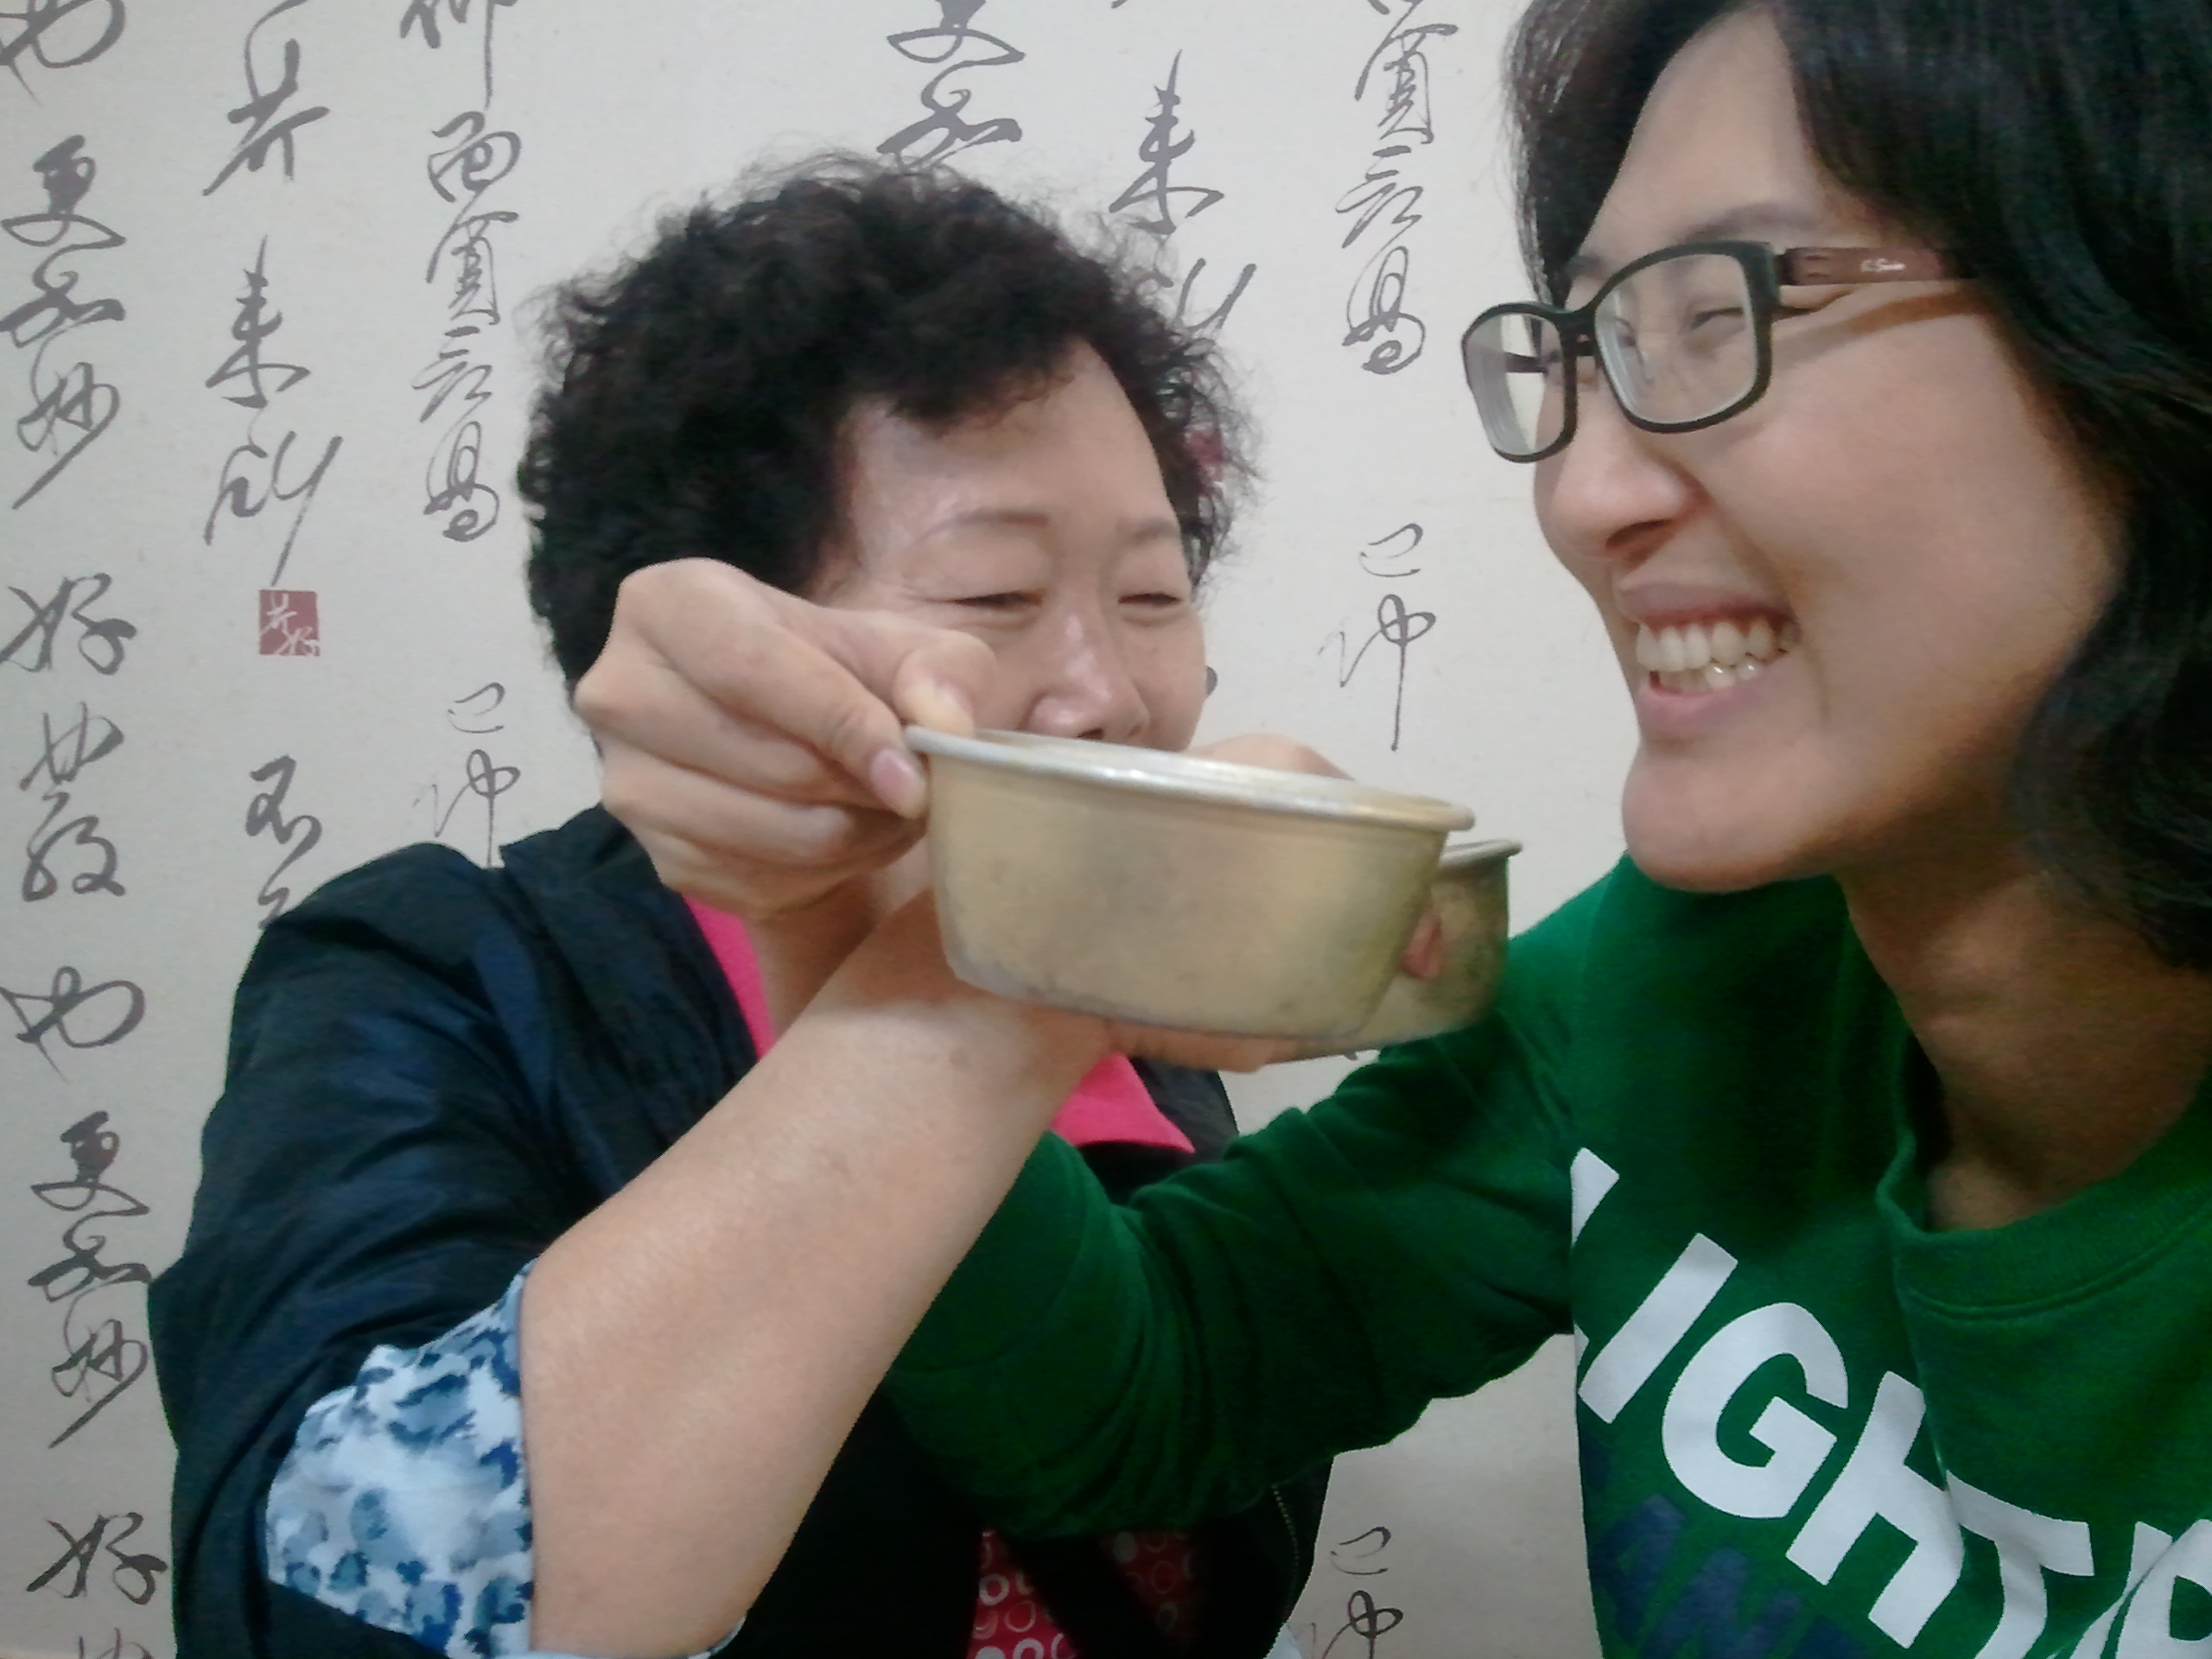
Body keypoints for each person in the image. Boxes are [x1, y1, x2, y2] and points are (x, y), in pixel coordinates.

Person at [565, 1, 2212, 1655]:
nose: (1587, 492)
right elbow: (1139, 1395)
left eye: (1725, 318)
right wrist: (863, 902)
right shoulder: (1676, 981)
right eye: (1592, 353)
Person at [148, 160, 1330, 1659]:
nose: (1109, 692)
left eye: (1153, 597)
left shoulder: (1146, 1032)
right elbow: (317, 1608)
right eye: (995, 594)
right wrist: (987, 997)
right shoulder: (435, 974)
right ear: (722, 636)